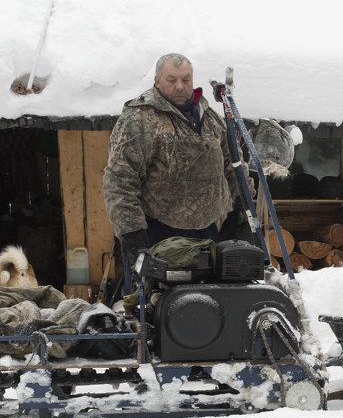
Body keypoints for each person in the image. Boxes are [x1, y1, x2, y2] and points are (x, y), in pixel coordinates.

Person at [102, 52, 246, 291]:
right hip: (157, 235)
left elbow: (233, 167)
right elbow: (119, 179)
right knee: (156, 309)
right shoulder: (139, 119)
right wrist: (132, 233)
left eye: (185, 79)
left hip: (207, 233)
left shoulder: (211, 119)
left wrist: (238, 210)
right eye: (171, 80)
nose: (180, 86)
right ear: (157, 81)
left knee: (207, 307)